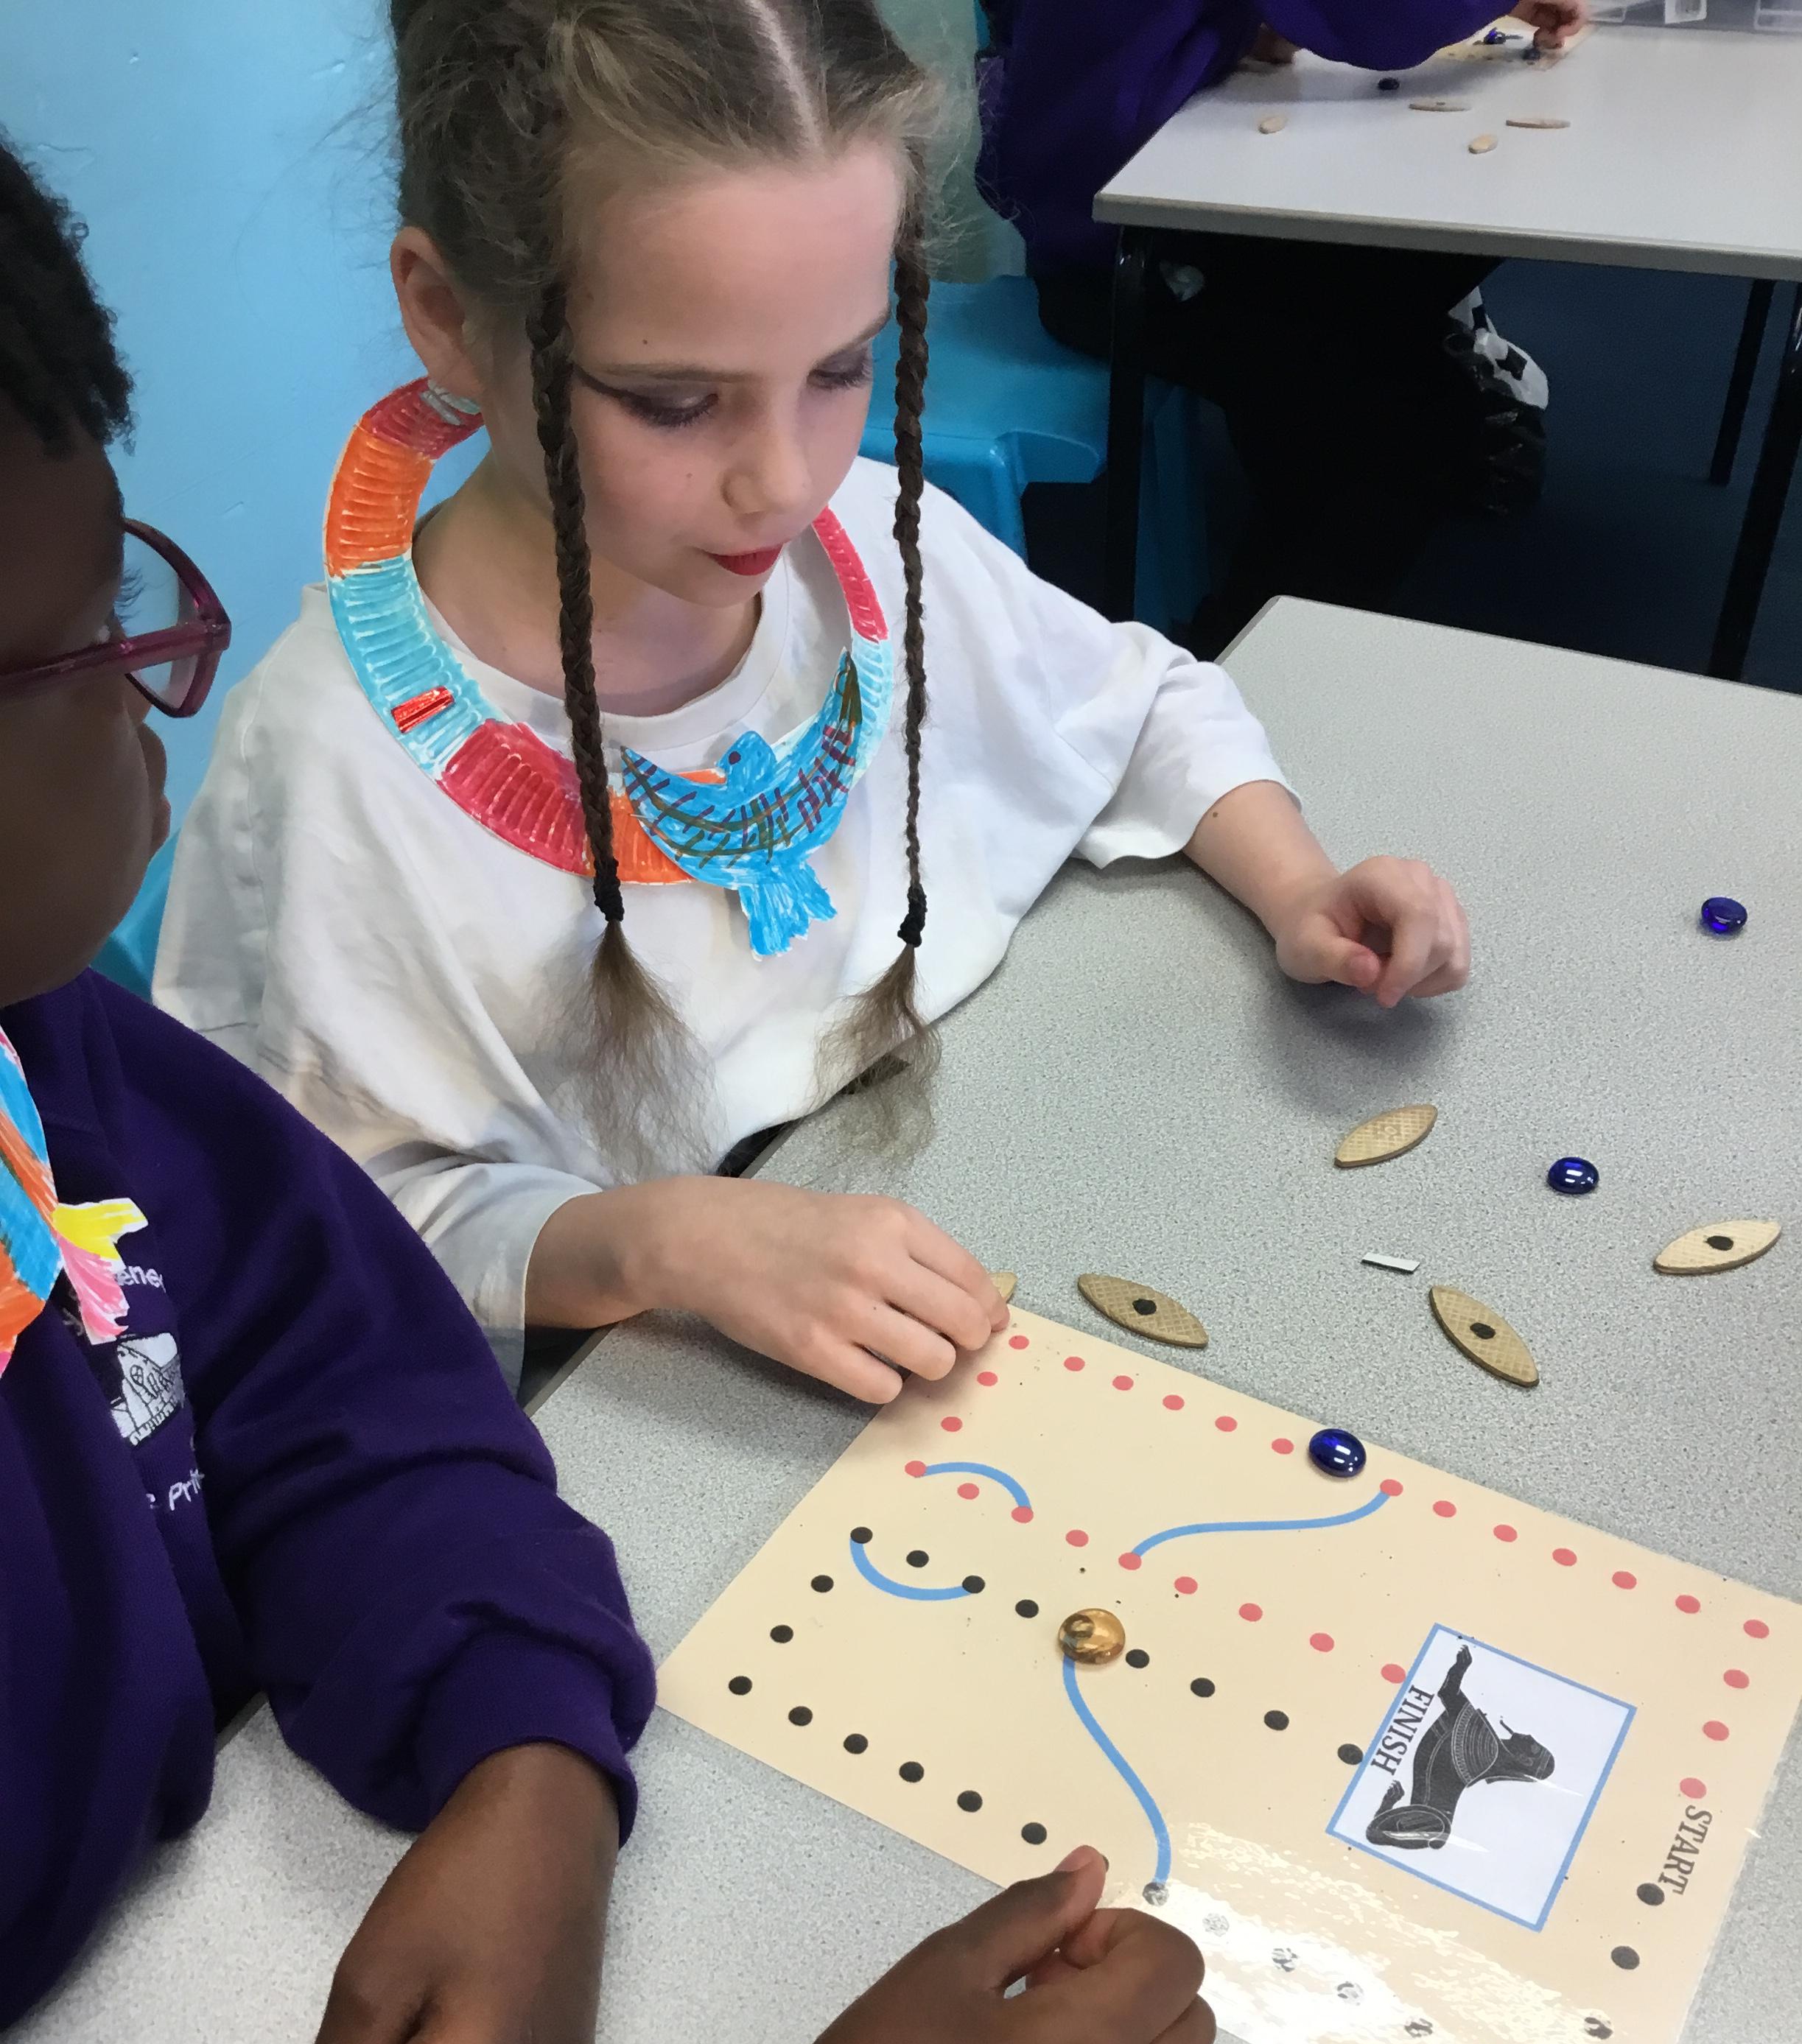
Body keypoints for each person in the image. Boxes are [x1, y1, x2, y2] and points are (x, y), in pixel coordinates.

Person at [0, 140, 1217, 2044]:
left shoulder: (58, 1069)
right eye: (78, 649)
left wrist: (525, 1751)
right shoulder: (329, 761)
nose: (154, 700)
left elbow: (324, 1361)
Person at [155, 0, 1471, 1405]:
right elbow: (327, 1229)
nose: (782, 482)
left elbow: (1134, 700)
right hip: (630, 1399)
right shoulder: (333, 768)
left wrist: (1296, 883)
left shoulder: (870, 545)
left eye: (841, 368)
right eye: (674, 401)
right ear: (446, 317)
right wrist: (656, 1240)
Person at [977, 1, 1588, 653]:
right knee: (1403, 428)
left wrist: (1223, 34)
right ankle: (1247, 661)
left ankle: (1326, 470)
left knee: (1383, 317)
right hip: (1124, 254)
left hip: (1098, 207)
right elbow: (1377, 23)